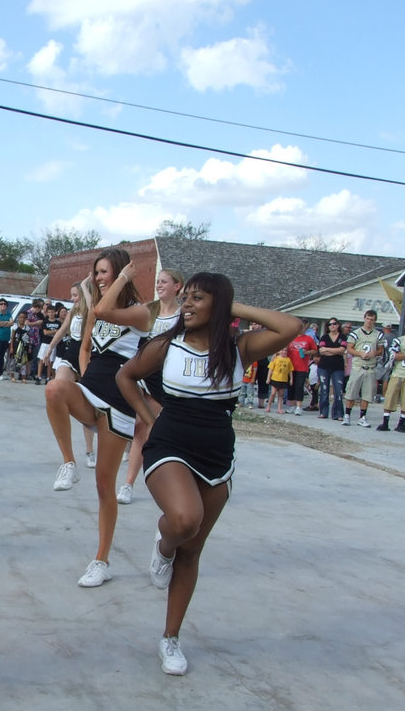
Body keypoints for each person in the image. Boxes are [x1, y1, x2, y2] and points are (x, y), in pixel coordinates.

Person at [115, 272, 302, 675]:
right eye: (186, 297)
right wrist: (150, 416)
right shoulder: (165, 346)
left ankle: (170, 639)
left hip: (217, 454)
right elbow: (125, 377)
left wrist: (231, 306)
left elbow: (291, 327)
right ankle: (164, 543)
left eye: (198, 298)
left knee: (194, 549)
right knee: (185, 520)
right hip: (170, 445)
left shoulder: (239, 349)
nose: (187, 304)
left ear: (220, 305)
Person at [44, 248, 151, 587]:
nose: (98, 278)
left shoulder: (139, 312)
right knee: (53, 389)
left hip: (119, 403)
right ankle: (69, 462)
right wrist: (87, 374)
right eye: (97, 272)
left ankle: (101, 561)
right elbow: (86, 345)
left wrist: (122, 279)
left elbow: (103, 310)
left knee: (104, 486)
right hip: (91, 390)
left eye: (104, 272)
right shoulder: (97, 309)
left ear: (120, 273)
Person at [118, 267, 183, 504]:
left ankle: (178, 478)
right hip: (145, 374)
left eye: (164, 281)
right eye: (158, 281)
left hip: (168, 378)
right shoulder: (149, 310)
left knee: (159, 430)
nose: (159, 285)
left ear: (177, 286)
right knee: (140, 428)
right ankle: (127, 484)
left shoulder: (184, 315)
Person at [45, 281, 97, 479]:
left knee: (87, 403)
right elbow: (62, 329)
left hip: (88, 355)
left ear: (85, 294)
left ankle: (89, 451)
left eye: (76, 295)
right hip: (71, 353)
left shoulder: (94, 308)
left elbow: (92, 308)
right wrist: (50, 347)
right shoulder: (73, 310)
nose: (72, 298)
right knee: (56, 390)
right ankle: (67, 459)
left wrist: (85, 286)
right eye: (72, 294)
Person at [343, 309, 383, 426]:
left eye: (372, 319)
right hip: (358, 366)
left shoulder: (378, 334)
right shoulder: (356, 333)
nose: (369, 321)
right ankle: (347, 415)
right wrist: (360, 353)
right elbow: (349, 348)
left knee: (367, 394)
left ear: (375, 321)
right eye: (368, 319)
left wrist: (374, 353)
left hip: (370, 367)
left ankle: (362, 417)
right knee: (351, 392)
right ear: (364, 319)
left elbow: (381, 350)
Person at [317, 318, 347, 420]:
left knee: (338, 391)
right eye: (330, 324)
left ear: (338, 325)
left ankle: (338, 414)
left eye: (334, 323)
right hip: (324, 366)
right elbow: (321, 351)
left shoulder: (343, 337)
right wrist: (335, 351)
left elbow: (342, 350)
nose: (332, 326)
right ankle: (323, 412)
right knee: (324, 390)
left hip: (338, 367)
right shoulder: (324, 337)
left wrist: (328, 349)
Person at [265, 347, 292, 412]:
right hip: (275, 378)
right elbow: (270, 369)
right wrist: (268, 378)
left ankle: (279, 408)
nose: (284, 352)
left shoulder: (288, 360)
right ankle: (268, 406)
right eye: (282, 350)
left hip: (283, 380)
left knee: (281, 395)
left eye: (285, 351)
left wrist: (291, 379)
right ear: (279, 351)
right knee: (273, 393)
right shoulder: (275, 359)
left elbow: (290, 371)